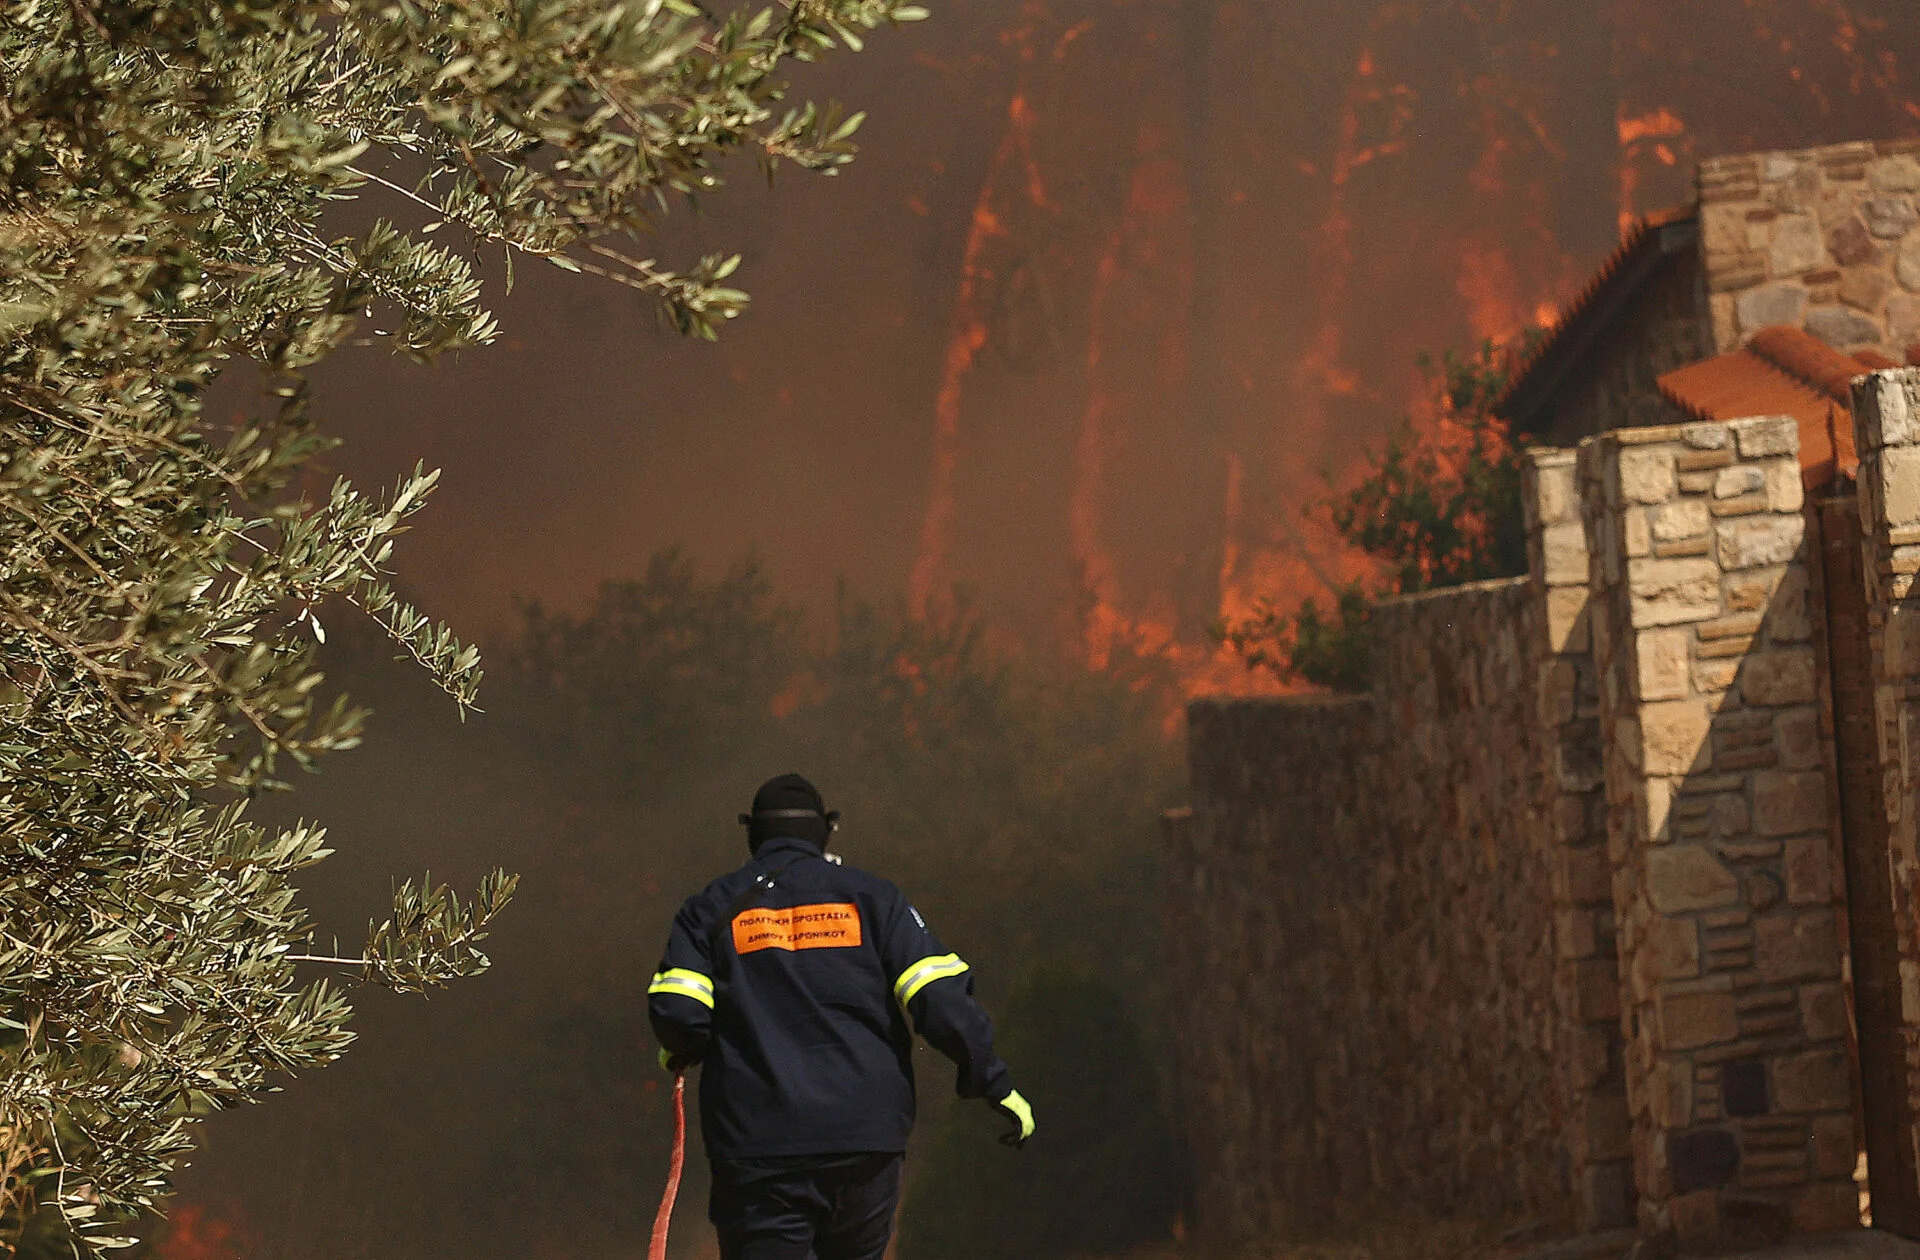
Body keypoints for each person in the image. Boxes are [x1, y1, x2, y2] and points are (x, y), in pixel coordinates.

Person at [647, 773, 1034, 1260]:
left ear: (752, 833)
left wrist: (682, 1046)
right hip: (864, 1145)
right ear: (827, 830)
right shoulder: (875, 900)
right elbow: (940, 1000)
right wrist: (992, 1081)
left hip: (760, 1152)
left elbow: (681, 1014)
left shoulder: (711, 908)